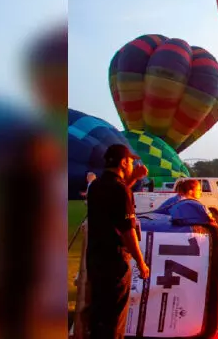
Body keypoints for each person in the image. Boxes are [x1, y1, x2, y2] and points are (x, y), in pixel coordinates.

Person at [86, 144, 150, 339]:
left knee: (99, 314)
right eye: (130, 162)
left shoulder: (95, 186)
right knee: (114, 317)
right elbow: (127, 231)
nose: (132, 165)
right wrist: (141, 262)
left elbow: (114, 197)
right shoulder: (120, 190)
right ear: (123, 163)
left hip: (95, 258)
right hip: (114, 261)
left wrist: (134, 179)